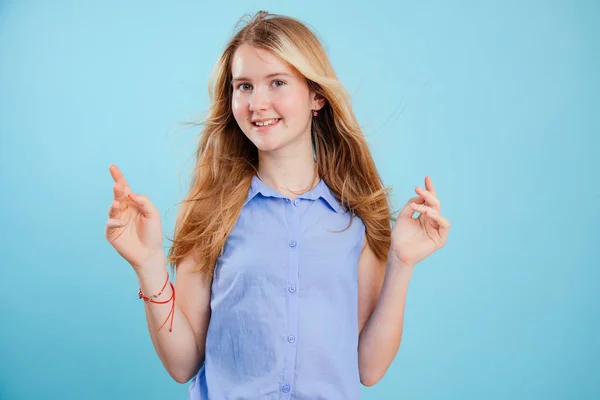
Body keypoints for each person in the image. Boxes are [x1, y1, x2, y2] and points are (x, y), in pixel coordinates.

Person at [105, 10, 450, 400]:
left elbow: (369, 369)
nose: (257, 103)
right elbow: (183, 364)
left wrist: (401, 264)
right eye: (245, 86)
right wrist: (149, 264)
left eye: (277, 83)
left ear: (316, 96)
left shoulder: (356, 218)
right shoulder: (210, 212)